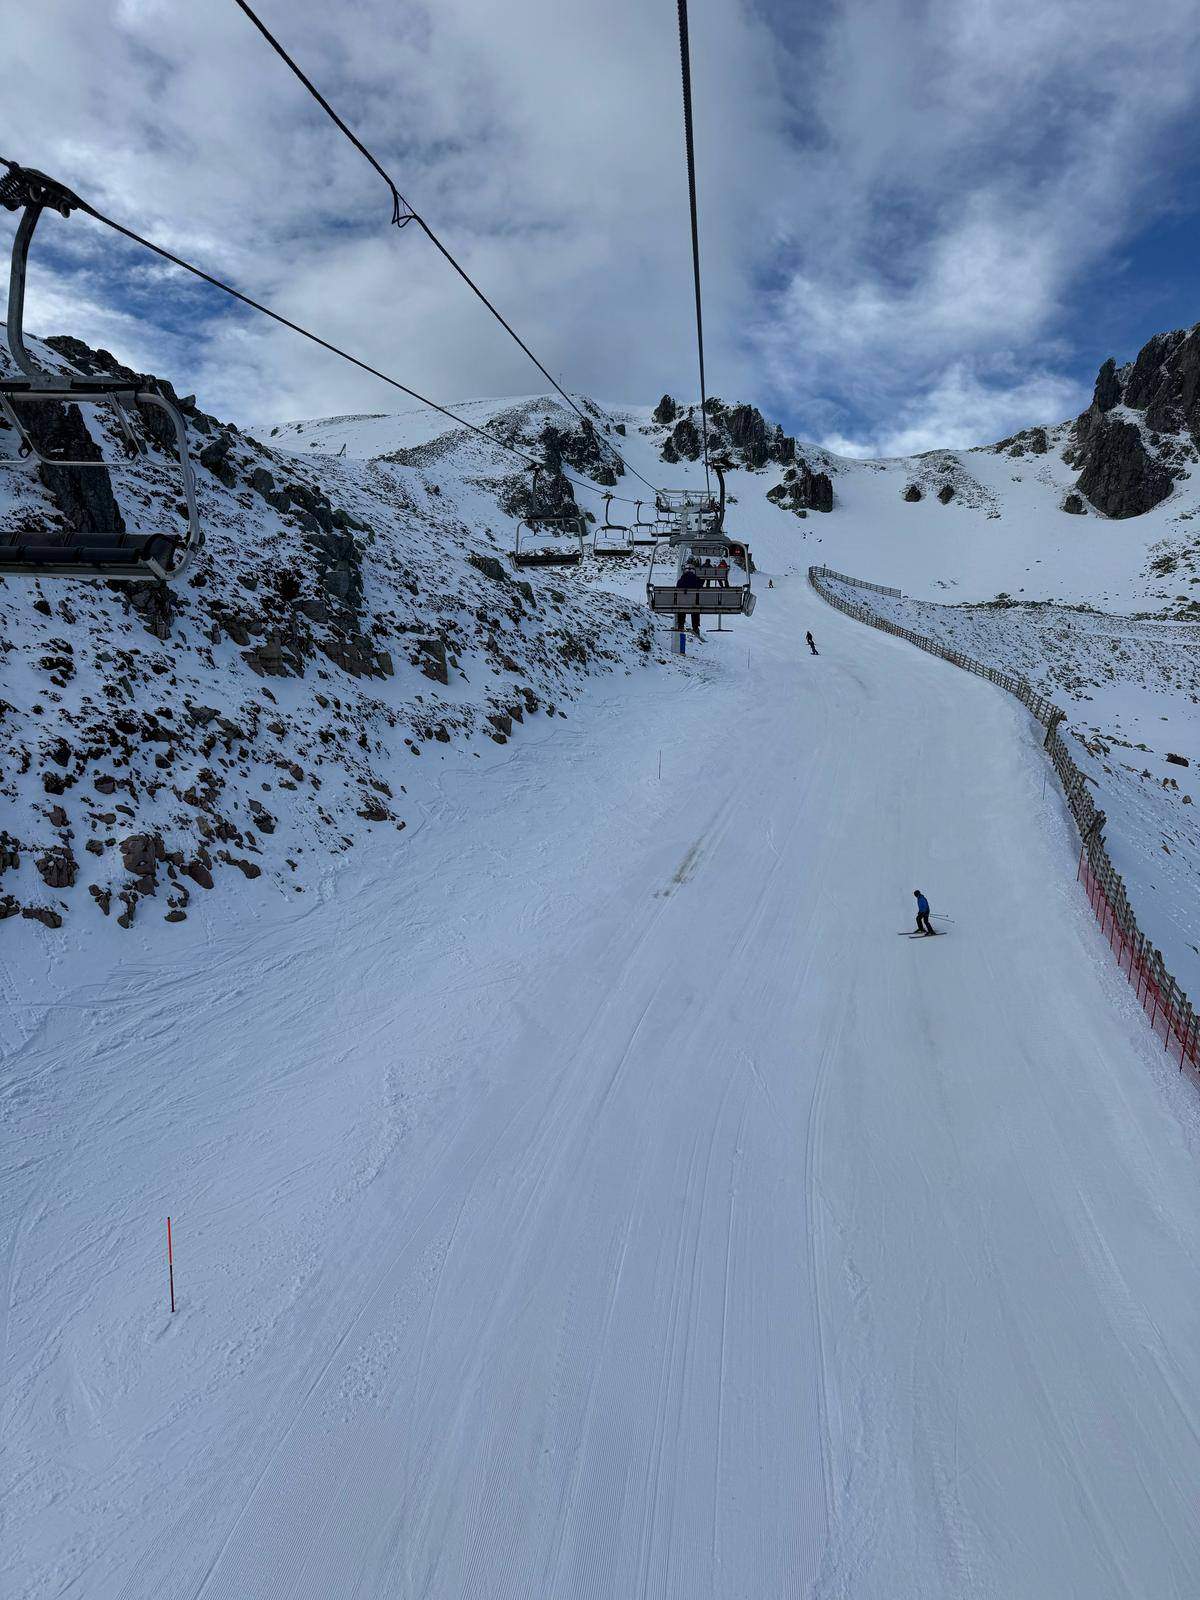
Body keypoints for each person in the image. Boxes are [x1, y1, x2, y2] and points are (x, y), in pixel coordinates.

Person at [675, 564, 702, 636]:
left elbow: (678, 589)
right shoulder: (697, 580)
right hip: (694, 604)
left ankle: (680, 624)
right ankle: (695, 627)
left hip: (682, 604)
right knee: (695, 608)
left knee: (681, 605)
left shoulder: (681, 580)